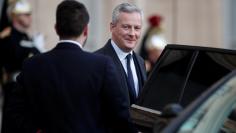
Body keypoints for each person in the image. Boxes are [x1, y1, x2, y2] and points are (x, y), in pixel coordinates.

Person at [2, 0, 136, 133]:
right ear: (86, 30)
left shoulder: (32, 65)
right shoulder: (102, 65)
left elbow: (13, 116)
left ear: (56, 28)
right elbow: (120, 118)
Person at [95, 3, 147, 105]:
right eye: (126, 27)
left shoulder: (140, 61)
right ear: (112, 27)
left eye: (137, 28)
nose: (132, 34)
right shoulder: (96, 61)